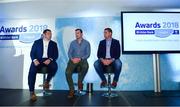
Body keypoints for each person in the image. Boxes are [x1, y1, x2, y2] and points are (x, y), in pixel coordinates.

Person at [28, 29, 58, 101]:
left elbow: (56, 55)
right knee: (32, 71)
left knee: (55, 66)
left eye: (51, 34)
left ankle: (47, 82)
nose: (50, 35)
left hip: (48, 60)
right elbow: (32, 53)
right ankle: (32, 92)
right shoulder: (37, 42)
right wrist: (34, 60)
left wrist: (50, 59)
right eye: (48, 34)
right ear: (44, 34)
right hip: (38, 60)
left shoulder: (54, 44)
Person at [66, 28, 90, 98]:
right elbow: (69, 53)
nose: (76, 34)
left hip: (82, 60)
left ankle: (80, 82)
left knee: (85, 66)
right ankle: (72, 90)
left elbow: (88, 54)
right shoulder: (72, 43)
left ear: (82, 34)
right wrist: (72, 59)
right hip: (73, 60)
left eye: (78, 33)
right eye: (76, 33)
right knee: (67, 72)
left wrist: (80, 58)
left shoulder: (87, 43)